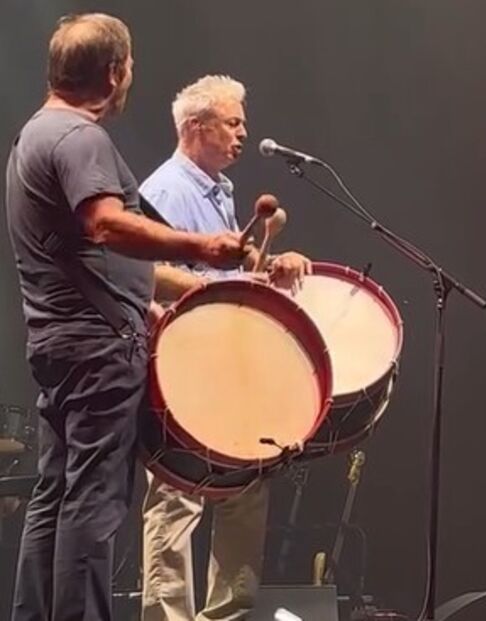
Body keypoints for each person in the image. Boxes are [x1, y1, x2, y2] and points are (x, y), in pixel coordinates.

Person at [5, 14, 244, 620]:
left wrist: (171, 290)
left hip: (62, 344)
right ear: (115, 72)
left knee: (55, 496)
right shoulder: (79, 139)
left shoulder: (35, 134)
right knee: (93, 502)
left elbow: (93, 252)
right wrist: (203, 248)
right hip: (98, 350)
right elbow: (105, 225)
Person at [139, 74, 311, 621]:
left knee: (244, 491)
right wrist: (224, 288)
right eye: (233, 122)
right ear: (196, 127)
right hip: (187, 368)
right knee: (177, 498)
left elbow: (225, 264)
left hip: (227, 363)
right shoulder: (165, 189)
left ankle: (229, 616)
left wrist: (270, 267)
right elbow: (145, 274)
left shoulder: (220, 188)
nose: (243, 133)